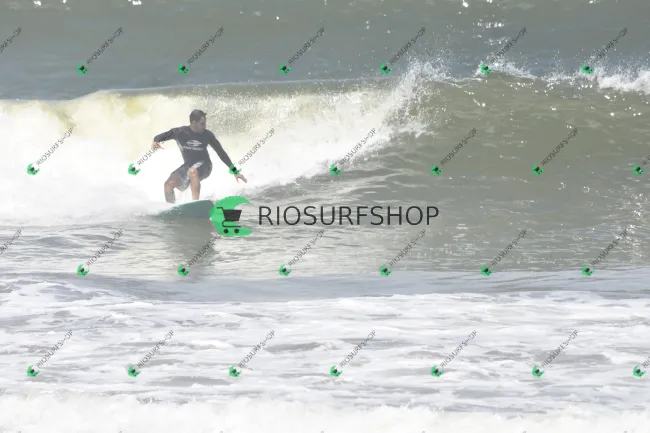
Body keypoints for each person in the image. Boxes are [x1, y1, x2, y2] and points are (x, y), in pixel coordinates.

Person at [152, 109, 247, 203]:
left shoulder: (208, 135)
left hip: (205, 165)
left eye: (205, 123)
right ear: (193, 123)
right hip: (188, 165)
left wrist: (235, 171)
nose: (205, 126)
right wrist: (155, 141)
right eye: (202, 124)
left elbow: (221, 153)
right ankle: (171, 207)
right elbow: (159, 137)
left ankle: (195, 204)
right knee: (168, 184)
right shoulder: (180, 132)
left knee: (193, 171)